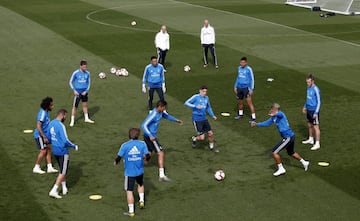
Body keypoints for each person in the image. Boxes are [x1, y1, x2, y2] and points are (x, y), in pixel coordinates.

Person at [251, 103, 309, 176]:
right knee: (291, 153)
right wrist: (257, 124)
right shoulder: (274, 117)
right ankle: (304, 162)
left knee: (274, 152)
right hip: (290, 136)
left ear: (276, 109)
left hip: (288, 137)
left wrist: (275, 114)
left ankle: (281, 169)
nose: (271, 110)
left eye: (272, 109)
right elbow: (267, 123)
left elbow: (279, 114)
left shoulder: (281, 114)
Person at [141, 100, 183, 182]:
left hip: (149, 136)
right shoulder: (153, 114)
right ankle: (162, 175)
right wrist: (150, 135)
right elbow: (144, 125)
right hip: (151, 137)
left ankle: (130, 158)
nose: (165, 109)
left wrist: (176, 120)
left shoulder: (160, 112)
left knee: (148, 153)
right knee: (161, 153)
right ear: (160, 107)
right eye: (164, 107)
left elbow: (167, 116)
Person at [114, 128, 151, 217]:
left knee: (129, 191)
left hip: (129, 172)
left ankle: (131, 211)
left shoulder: (125, 145)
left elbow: (118, 157)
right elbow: (147, 155)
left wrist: (116, 162)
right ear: (138, 135)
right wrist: (146, 160)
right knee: (140, 184)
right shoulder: (142, 144)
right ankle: (141, 201)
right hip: (140, 171)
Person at [47, 109, 78, 199]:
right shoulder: (61, 125)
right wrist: (73, 146)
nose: (66, 118)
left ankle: (64, 188)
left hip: (55, 150)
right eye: (66, 116)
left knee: (61, 169)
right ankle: (54, 189)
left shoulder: (51, 123)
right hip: (62, 151)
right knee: (63, 171)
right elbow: (65, 140)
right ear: (63, 115)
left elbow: (48, 137)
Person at [184, 85, 219, 152]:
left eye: (206, 92)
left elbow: (208, 107)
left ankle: (212, 147)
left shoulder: (206, 98)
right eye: (203, 91)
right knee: (202, 138)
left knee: (210, 133)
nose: (204, 93)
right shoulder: (195, 97)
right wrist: (195, 106)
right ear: (200, 91)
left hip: (204, 119)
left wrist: (213, 115)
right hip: (197, 119)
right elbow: (186, 103)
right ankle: (194, 139)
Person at [33, 97, 58, 174]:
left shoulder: (46, 112)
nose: (53, 107)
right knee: (43, 151)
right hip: (40, 135)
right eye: (51, 105)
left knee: (48, 149)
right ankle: (36, 167)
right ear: (47, 106)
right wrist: (43, 137)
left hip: (45, 135)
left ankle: (49, 167)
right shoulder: (43, 114)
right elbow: (38, 125)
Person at [69, 60, 94, 127]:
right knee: (75, 107)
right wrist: (74, 90)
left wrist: (86, 90)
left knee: (85, 105)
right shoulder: (76, 73)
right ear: (80, 66)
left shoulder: (87, 73)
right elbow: (70, 82)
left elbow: (89, 83)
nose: (85, 68)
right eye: (84, 67)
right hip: (77, 92)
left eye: (86, 67)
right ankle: (72, 120)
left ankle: (86, 118)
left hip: (84, 92)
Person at [302, 74, 321, 150]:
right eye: (307, 82)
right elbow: (308, 98)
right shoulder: (308, 87)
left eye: (309, 82)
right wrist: (305, 106)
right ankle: (310, 139)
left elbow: (319, 102)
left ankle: (317, 143)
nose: (308, 84)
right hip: (309, 109)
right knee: (310, 125)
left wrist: (316, 112)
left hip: (313, 110)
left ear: (312, 81)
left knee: (316, 127)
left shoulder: (316, 89)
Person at [234, 57, 256, 122]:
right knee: (240, 102)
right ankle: (241, 115)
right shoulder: (239, 68)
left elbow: (252, 79)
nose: (242, 64)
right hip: (239, 88)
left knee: (249, 103)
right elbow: (238, 78)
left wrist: (251, 89)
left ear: (246, 63)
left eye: (243, 62)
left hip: (246, 88)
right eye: (241, 62)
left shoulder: (249, 69)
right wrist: (235, 86)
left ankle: (253, 118)